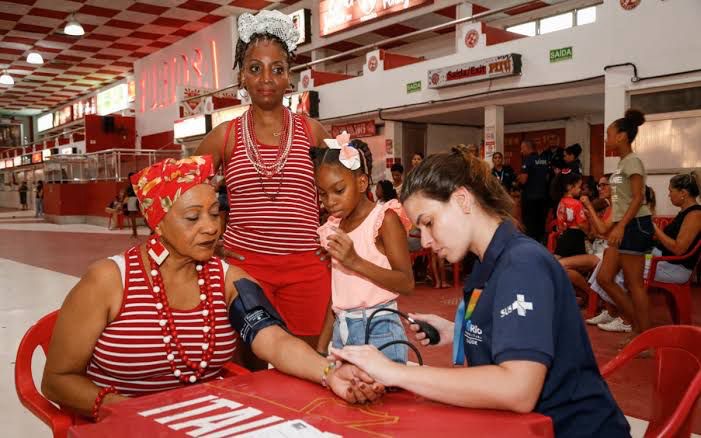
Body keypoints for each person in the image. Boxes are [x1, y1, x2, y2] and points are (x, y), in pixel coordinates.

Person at [41, 156, 384, 420]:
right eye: (193, 218)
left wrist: (330, 373)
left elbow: (274, 342)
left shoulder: (229, 279)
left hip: (203, 422)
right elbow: (57, 379)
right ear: (156, 221)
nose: (210, 228)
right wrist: (135, 413)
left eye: (216, 213)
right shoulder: (108, 280)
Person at [330, 147, 629, 437]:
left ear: (462, 199)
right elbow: (521, 331)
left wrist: (394, 372)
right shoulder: (488, 265)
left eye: (430, 223)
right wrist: (459, 330)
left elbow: (518, 389)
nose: (426, 242)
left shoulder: (522, 264)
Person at [194, 10, 331, 352]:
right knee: (246, 366)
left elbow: (342, 192)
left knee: (308, 362)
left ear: (290, 77)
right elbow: (181, 192)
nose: (266, 78)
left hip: (307, 268)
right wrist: (209, 242)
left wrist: (334, 238)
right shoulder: (223, 136)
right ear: (242, 77)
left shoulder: (312, 132)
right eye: (255, 68)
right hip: (245, 267)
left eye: (277, 68)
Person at [314, 132, 414, 363]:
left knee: (385, 398)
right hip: (342, 330)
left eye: (339, 191)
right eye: (323, 194)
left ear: (361, 182)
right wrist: (321, 347)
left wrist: (355, 261)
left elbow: (407, 283)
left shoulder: (384, 219)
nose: (330, 201)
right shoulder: (333, 227)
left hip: (379, 329)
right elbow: (339, 293)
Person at [596, 109, 653, 334]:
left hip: (635, 225)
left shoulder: (633, 161)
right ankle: (634, 323)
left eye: (609, 134)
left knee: (634, 284)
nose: (606, 139)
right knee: (604, 278)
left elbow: (639, 198)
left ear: (621, 136)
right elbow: (622, 201)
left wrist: (620, 226)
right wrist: (613, 225)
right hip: (623, 226)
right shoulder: (622, 164)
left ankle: (645, 337)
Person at [651, 172, 701, 283]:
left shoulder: (695, 215)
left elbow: (678, 249)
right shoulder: (685, 212)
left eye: (671, 191)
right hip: (664, 260)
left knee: (627, 265)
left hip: (674, 268)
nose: (669, 195)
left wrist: (654, 227)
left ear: (683, 193)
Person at [518, 140, 550, 243]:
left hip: (530, 198)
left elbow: (523, 180)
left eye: (522, 148)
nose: (521, 151)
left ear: (528, 148)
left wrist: (517, 179)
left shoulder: (528, 160)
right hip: (543, 197)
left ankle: (530, 245)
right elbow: (548, 176)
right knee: (540, 223)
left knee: (529, 224)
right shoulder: (544, 160)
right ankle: (541, 244)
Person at [552, 169, 589, 258]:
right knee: (578, 265)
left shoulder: (561, 201)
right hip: (575, 236)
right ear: (569, 187)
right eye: (579, 187)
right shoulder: (576, 203)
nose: (580, 190)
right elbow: (582, 223)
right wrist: (589, 232)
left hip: (563, 236)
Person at [122, 172, 139, 238]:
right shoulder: (137, 184)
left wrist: (122, 200)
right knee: (133, 218)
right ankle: (135, 233)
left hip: (132, 200)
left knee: (133, 218)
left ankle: (135, 233)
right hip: (137, 200)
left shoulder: (130, 186)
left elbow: (125, 194)